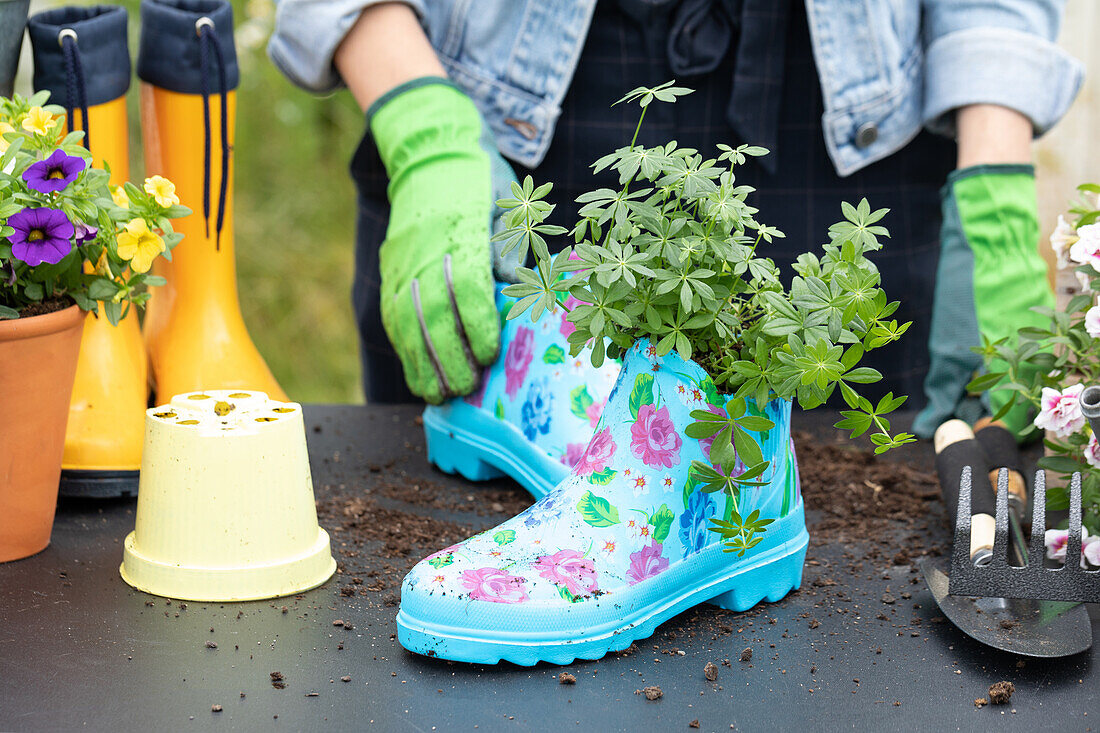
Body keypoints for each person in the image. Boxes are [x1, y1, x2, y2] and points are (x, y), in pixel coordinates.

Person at [268, 0, 1082, 437]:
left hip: (849, 136)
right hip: (502, 114)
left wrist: (995, 193)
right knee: (474, 530)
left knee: (854, 565)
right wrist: (423, 130)